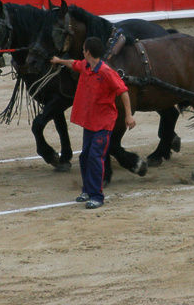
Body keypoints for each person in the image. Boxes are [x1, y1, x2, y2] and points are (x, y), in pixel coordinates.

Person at [50, 37, 135, 209]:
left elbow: (123, 91)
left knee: (95, 157)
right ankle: (88, 190)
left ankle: (97, 196)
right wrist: (59, 61)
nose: (82, 51)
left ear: (88, 52)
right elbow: (73, 63)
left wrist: (128, 116)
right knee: (85, 156)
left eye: (83, 49)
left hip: (103, 123)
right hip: (90, 121)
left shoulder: (106, 72)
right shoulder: (86, 66)